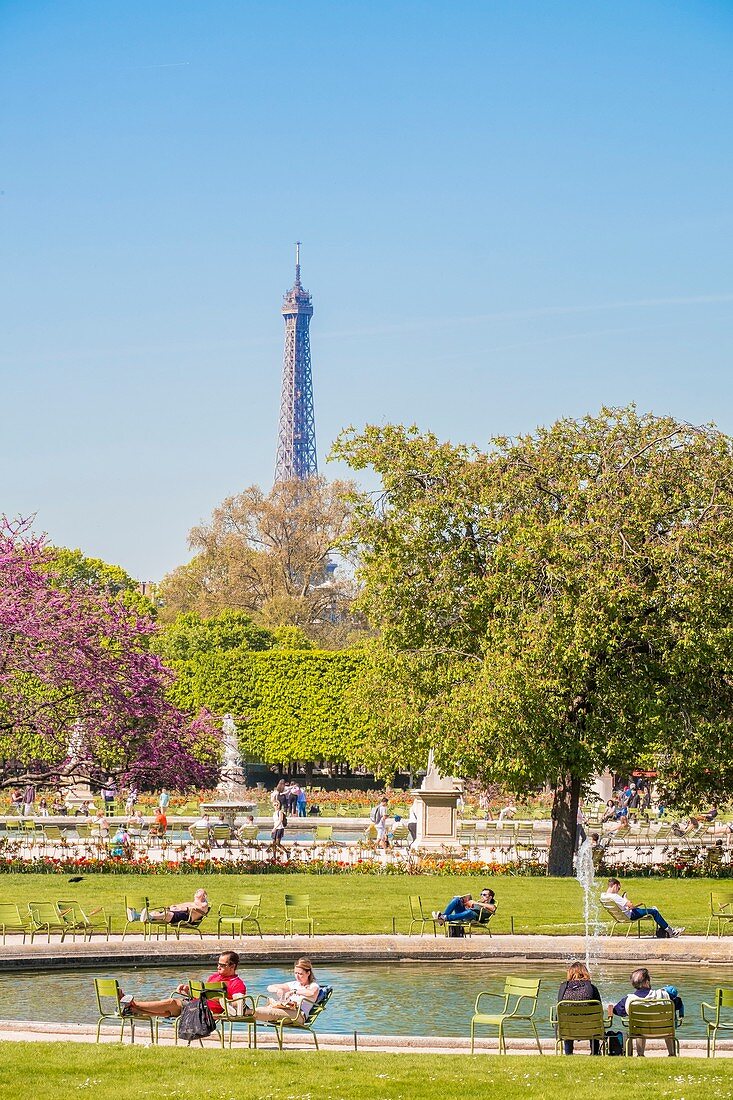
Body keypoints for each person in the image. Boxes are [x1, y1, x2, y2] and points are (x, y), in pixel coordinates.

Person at [121, 951, 245, 1019]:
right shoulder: (214, 977)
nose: (218, 967)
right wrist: (188, 990)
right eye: (218, 964)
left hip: (205, 1011)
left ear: (233, 966)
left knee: (171, 1003)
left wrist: (220, 999)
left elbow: (238, 1002)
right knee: (167, 1012)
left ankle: (133, 1004)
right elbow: (203, 995)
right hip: (195, 1005)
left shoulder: (236, 984)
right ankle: (132, 1009)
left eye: (222, 965)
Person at [608, 967, 684, 1056]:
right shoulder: (663, 995)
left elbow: (617, 1011)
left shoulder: (629, 1000)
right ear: (647, 982)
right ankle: (672, 1054)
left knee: (639, 1026)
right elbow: (678, 1004)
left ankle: (640, 1055)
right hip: (664, 1030)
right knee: (667, 1025)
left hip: (640, 1031)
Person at [245, 956, 320, 1025]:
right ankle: (246, 1011)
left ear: (308, 973)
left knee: (272, 1012)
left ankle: (245, 1012)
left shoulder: (313, 986)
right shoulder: (293, 984)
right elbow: (270, 987)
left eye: (300, 974)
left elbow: (311, 992)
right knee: (269, 1009)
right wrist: (278, 989)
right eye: (295, 973)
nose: (297, 976)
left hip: (298, 1015)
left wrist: (294, 991)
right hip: (285, 1010)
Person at [600, 878, 684, 937]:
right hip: (630, 914)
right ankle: (671, 931)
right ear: (615, 885)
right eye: (618, 888)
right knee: (654, 912)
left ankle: (664, 930)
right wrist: (625, 898)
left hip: (623, 914)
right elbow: (631, 906)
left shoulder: (603, 896)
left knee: (649, 910)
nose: (618, 890)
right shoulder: (615, 896)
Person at [557, 960, 602, 1055]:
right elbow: (599, 1010)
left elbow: (560, 1008)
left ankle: (568, 1053)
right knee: (593, 1019)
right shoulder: (592, 988)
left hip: (568, 1029)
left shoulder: (563, 988)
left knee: (567, 1018)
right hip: (590, 1029)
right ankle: (594, 1053)